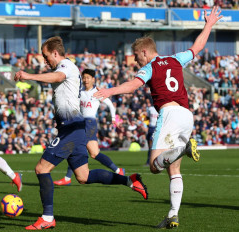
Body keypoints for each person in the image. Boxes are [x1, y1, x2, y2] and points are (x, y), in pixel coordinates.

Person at [94, 6, 222, 229]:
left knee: (154, 166)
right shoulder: (175, 59)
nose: (135, 61)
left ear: (144, 52)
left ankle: (183, 150)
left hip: (170, 113)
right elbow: (197, 47)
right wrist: (209, 24)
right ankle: (173, 214)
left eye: (136, 57)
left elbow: (133, 86)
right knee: (174, 169)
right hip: (186, 115)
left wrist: (109, 91)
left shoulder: (151, 66)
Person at [14, 36, 148, 230]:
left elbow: (58, 77)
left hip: (71, 130)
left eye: (45, 56)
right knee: (83, 176)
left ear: (55, 53)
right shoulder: (61, 68)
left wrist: (29, 76)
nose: (45, 60)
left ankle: (47, 217)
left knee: (41, 169)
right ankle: (130, 180)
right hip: (73, 129)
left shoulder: (66, 66)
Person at [53, 69, 125, 186]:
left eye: (88, 77)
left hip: (89, 123)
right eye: (84, 77)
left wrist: (113, 118)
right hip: (80, 122)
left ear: (93, 79)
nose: (86, 80)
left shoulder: (96, 92)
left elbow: (110, 104)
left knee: (75, 146)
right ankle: (118, 171)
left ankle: (67, 178)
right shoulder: (79, 92)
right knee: (94, 153)